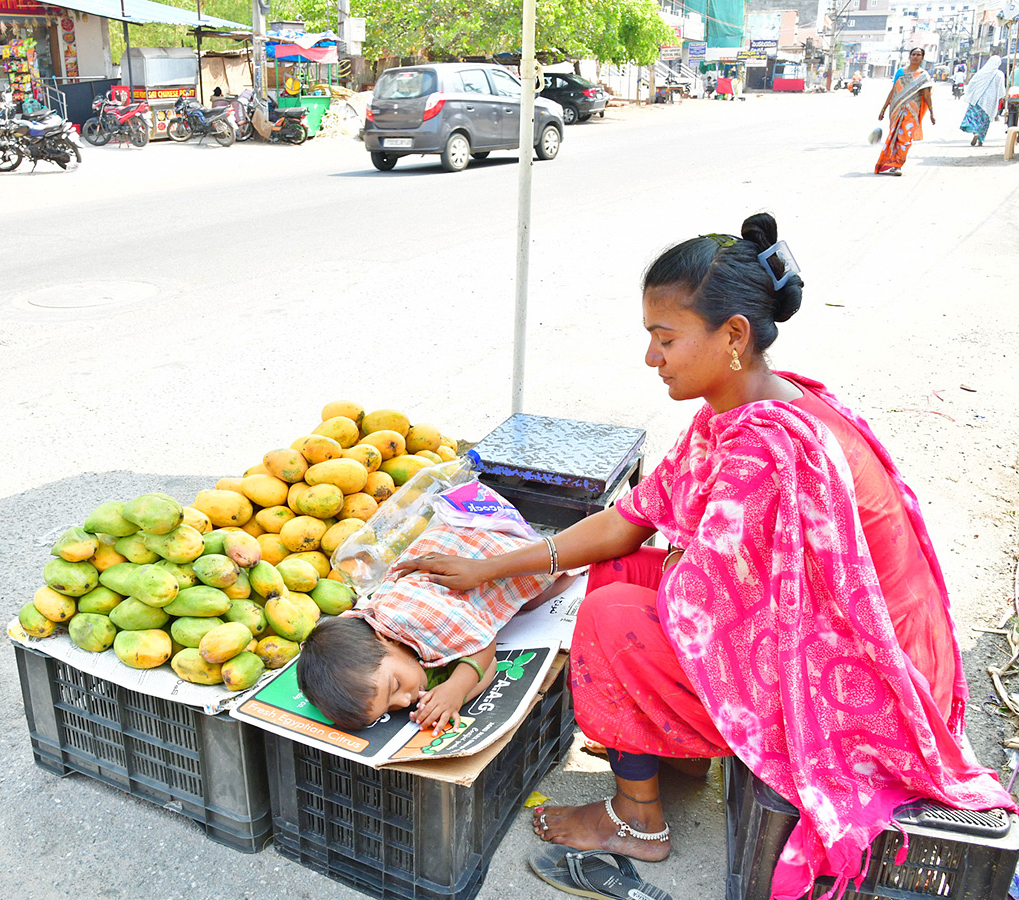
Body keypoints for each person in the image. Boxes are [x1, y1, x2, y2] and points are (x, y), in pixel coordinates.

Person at [398, 213, 1015, 900]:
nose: (651, 357)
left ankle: (636, 821)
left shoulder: (762, 446)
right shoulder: (750, 404)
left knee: (608, 616)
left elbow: (705, 604)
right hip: (849, 644)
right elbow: (632, 521)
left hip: (863, 686)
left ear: (733, 336)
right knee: (617, 575)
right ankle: (677, 759)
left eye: (664, 338)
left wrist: (592, 581)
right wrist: (494, 566)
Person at [296, 522, 563, 734]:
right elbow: (489, 666)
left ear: (384, 638)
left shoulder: (420, 621)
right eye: (389, 707)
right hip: (454, 577)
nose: (403, 702)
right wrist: (451, 699)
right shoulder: (398, 660)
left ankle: (577, 570)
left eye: (396, 686)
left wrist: (457, 688)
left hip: (470, 549)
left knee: (538, 592)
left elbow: (484, 644)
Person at [875, 48, 934, 175]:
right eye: (913, 54)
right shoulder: (900, 72)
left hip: (912, 110)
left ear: (922, 58)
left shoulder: (924, 75)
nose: (915, 57)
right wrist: (884, 108)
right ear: (909, 56)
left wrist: (931, 112)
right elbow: (893, 90)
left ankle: (898, 165)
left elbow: (927, 95)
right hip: (896, 108)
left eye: (918, 55)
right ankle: (891, 162)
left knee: (905, 138)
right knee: (895, 136)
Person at [959, 55, 1006, 146]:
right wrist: (1001, 98)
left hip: (977, 99)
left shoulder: (982, 72)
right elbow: (1001, 90)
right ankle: (981, 140)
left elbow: (972, 83)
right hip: (990, 102)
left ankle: (975, 133)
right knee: (985, 121)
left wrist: (971, 95)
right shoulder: (999, 74)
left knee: (973, 118)